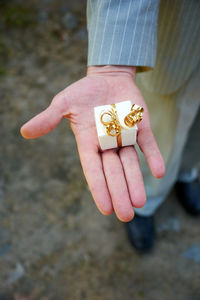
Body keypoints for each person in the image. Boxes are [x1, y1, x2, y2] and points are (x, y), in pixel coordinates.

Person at [20, 0, 200, 253]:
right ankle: (145, 204)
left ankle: (187, 171)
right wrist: (113, 65)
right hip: (179, 39)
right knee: (162, 123)